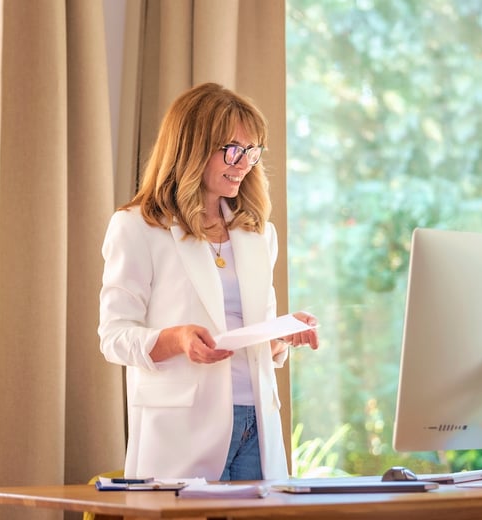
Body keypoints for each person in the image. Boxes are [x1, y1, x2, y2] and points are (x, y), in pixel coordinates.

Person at [98, 82, 319, 482]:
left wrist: (284, 333)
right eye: (233, 150)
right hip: (182, 426)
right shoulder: (137, 227)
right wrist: (177, 339)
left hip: (257, 423)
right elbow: (114, 336)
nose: (244, 163)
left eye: (252, 152)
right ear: (192, 146)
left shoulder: (257, 234)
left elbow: (252, 338)